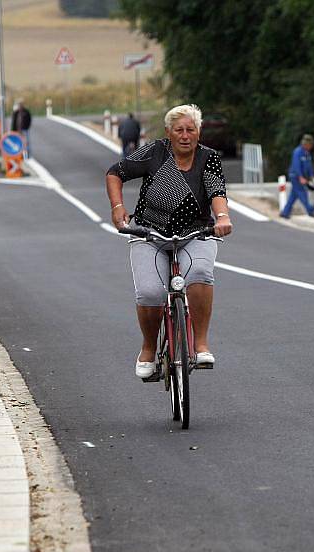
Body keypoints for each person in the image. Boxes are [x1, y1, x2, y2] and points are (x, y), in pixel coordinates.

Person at [105, 104, 233, 379]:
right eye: (179, 130)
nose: (185, 135)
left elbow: (217, 191)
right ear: (168, 132)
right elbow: (115, 172)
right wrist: (117, 207)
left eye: (191, 129)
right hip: (149, 234)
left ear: (198, 132)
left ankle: (200, 344)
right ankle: (149, 348)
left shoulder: (208, 158)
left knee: (199, 273)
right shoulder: (155, 152)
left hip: (195, 233)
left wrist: (222, 217)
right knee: (151, 293)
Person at [280, 134, 314, 219]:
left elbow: (309, 165)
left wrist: (311, 176)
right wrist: (300, 177)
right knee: (302, 193)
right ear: (306, 144)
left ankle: (285, 212)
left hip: (302, 177)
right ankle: (310, 210)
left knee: (293, 195)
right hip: (295, 176)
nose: (311, 147)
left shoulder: (307, 153)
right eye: (310, 145)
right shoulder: (298, 152)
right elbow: (296, 165)